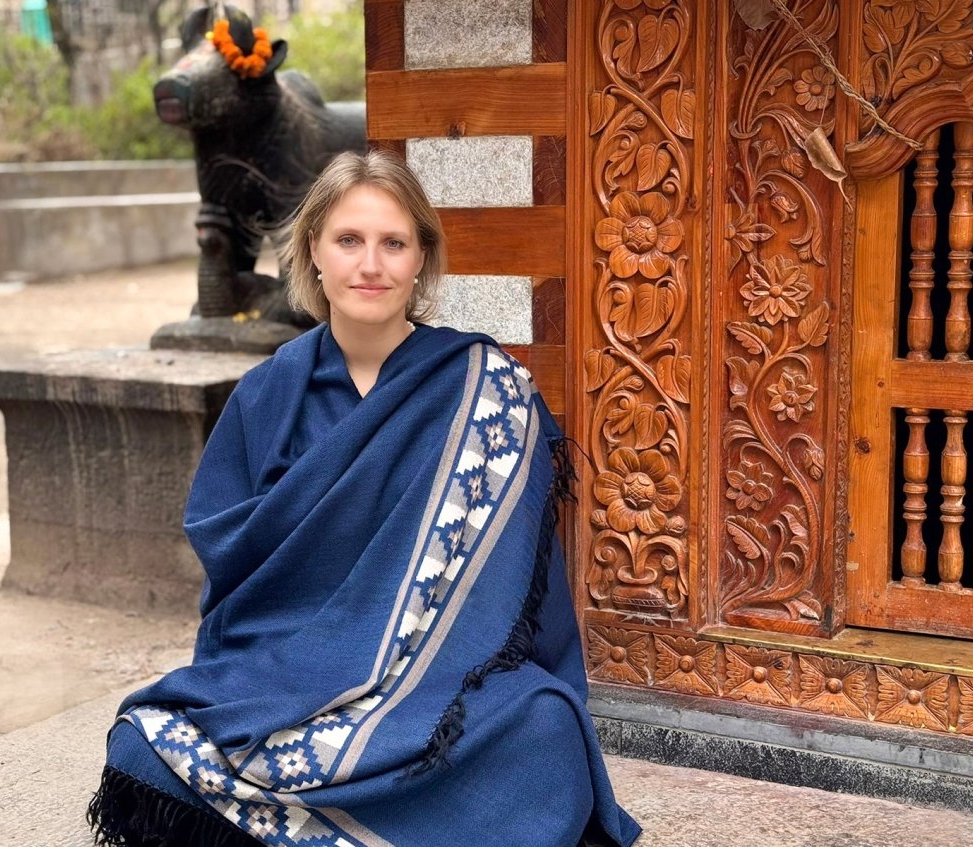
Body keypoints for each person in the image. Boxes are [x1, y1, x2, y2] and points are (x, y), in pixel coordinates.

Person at [87, 150, 642, 847]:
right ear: (313, 252)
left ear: (421, 259)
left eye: (394, 243)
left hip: (439, 672)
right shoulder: (267, 394)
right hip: (289, 665)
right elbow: (235, 567)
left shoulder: (485, 389)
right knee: (144, 745)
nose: (371, 264)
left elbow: (527, 588)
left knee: (545, 726)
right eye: (349, 239)